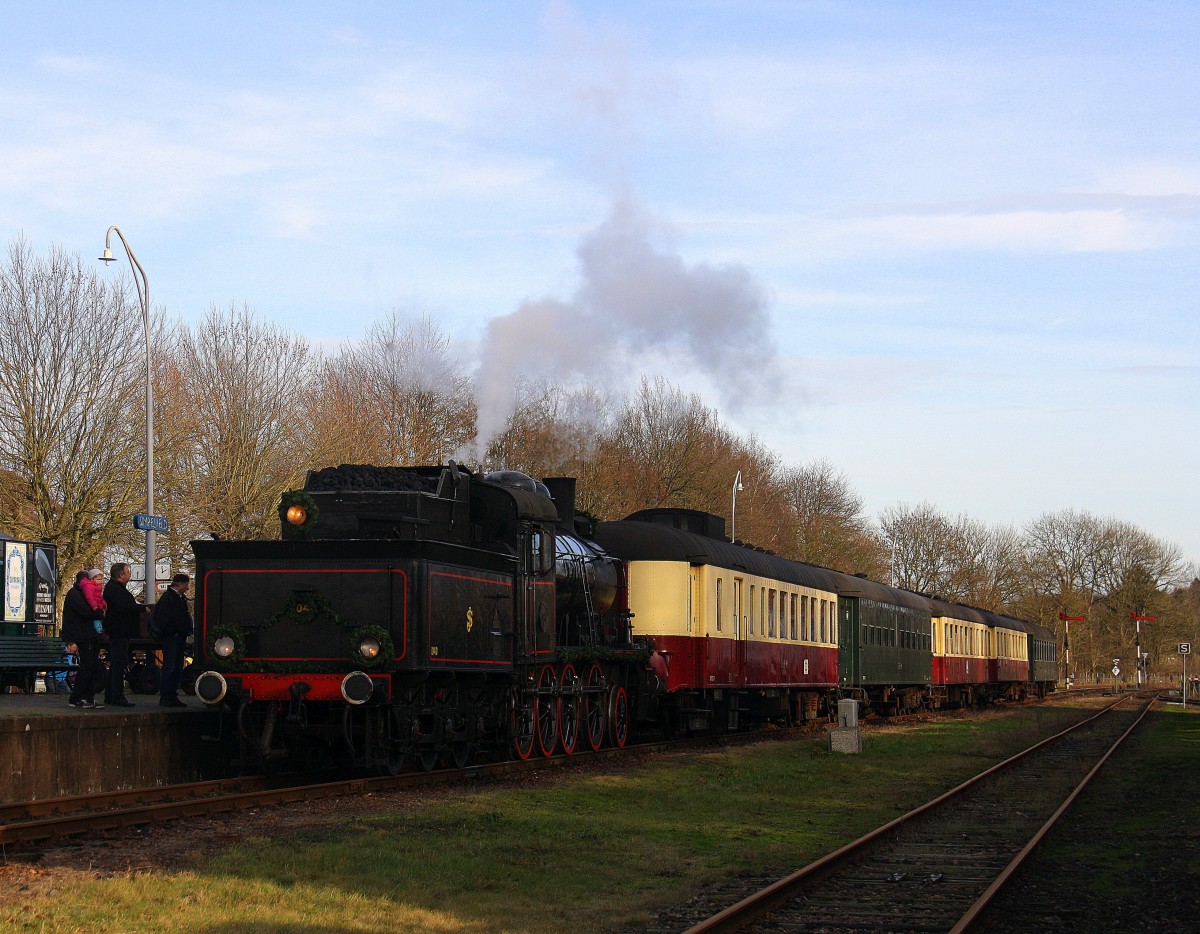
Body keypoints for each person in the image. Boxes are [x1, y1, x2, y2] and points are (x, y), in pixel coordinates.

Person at [61, 571, 105, 709]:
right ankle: (78, 697)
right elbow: (87, 611)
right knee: (87, 666)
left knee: (90, 666)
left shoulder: (77, 593)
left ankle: (87, 696)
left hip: (87, 634)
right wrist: (100, 612)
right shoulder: (76, 595)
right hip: (84, 635)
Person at [102, 562, 143, 708]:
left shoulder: (113, 588)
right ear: (121, 574)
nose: (130, 574)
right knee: (119, 664)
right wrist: (141, 608)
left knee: (116, 664)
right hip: (119, 631)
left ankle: (110, 695)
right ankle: (117, 696)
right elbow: (124, 607)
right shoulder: (115, 590)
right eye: (128, 571)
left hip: (118, 631)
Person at [151, 573, 192, 708]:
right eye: (186, 584)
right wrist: (174, 630)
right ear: (179, 584)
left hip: (177, 636)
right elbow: (165, 618)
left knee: (175, 667)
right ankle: (167, 696)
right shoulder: (170, 598)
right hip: (173, 637)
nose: (187, 588)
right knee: (170, 667)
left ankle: (170, 695)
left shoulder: (175, 598)